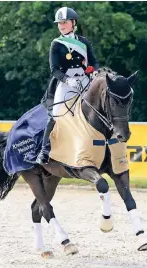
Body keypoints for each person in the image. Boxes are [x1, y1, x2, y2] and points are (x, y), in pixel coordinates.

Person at [35, 6, 100, 165]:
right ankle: (44, 150)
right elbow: (54, 70)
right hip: (66, 83)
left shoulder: (84, 42)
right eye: (59, 23)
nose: (61, 26)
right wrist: (67, 80)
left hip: (85, 80)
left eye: (64, 22)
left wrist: (95, 72)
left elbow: (94, 61)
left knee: (99, 106)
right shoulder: (56, 44)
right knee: (56, 113)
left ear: (73, 23)